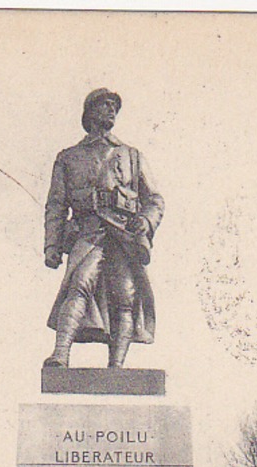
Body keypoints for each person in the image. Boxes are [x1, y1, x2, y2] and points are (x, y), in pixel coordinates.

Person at [43, 89, 165, 370]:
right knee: (78, 284)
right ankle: (61, 355)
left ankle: (116, 367)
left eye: (114, 107)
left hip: (124, 234)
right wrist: (52, 246)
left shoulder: (132, 156)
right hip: (88, 232)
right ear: (89, 113)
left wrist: (145, 221)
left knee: (126, 296)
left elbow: (155, 200)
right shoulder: (69, 157)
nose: (111, 110)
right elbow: (56, 204)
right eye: (104, 105)